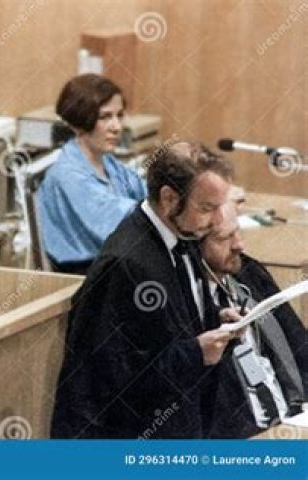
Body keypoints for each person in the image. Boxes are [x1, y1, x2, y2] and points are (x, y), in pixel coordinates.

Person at [51, 141, 242, 439]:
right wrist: (196, 353)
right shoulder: (125, 264)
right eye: (207, 208)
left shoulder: (184, 235)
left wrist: (216, 321)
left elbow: (169, 328)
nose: (217, 220)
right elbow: (114, 380)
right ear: (169, 198)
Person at [200, 203, 307, 437]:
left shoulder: (248, 273)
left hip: (295, 416)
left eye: (237, 231)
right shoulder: (189, 311)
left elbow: (300, 344)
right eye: (224, 238)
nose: (239, 245)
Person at [37, 73, 146, 274]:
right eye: (105, 117)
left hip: (116, 267)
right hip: (88, 278)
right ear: (80, 121)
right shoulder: (67, 174)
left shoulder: (108, 163)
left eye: (119, 115)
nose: (116, 127)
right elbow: (119, 222)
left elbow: (144, 191)